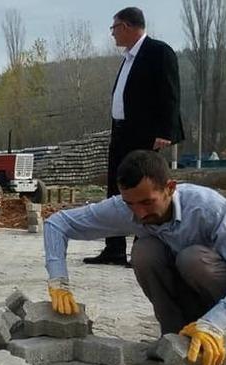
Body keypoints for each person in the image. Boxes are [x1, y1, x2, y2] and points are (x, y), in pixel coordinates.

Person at [45, 150, 226, 365]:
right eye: (131, 204)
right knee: (144, 251)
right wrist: (58, 280)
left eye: (147, 202)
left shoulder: (207, 208)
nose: (140, 213)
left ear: (170, 188)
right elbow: (57, 224)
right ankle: (175, 339)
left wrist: (215, 322)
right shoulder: (128, 208)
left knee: (192, 259)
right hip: (194, 300)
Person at [84, 6, 184, 267]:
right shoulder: (128, 58)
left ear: (126, 27)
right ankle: (114, 248)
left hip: (146, 135)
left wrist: (166, 131)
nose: (113, 34)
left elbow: (170, 93)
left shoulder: (158, 52)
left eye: (114, 28)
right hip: (121, 132)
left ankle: (143, 249)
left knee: (142, 189)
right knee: (115, 188)